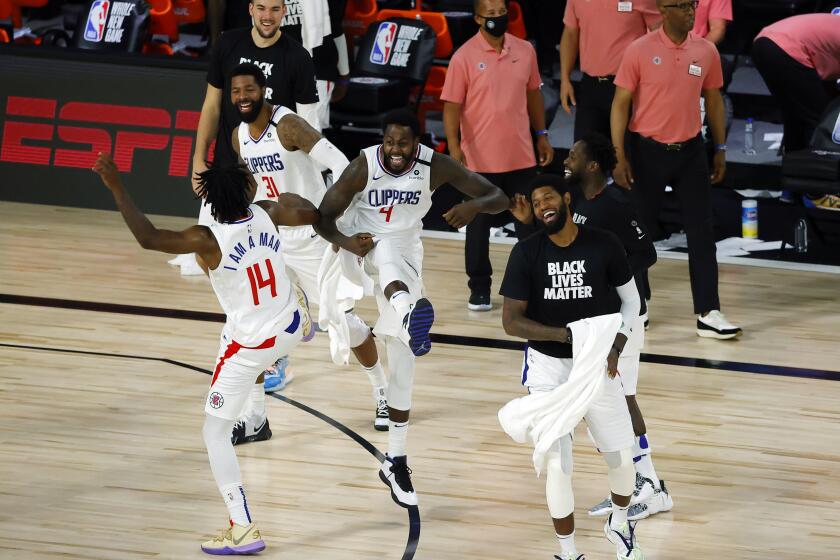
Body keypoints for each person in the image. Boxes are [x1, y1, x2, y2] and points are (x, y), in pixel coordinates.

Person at [92, 152, 319, 555]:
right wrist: (301, 202)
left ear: (211, 200)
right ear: (249, 191)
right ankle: (304, 319)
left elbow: (148, 237)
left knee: (214, 431)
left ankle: (243, 527)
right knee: (275, 307)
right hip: (286, 322)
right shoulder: (267, 211)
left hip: (251, 344)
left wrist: (116, 185)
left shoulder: (205, 238)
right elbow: (308, 211)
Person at [315, 109, 510, 508]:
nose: (396, 149)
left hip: (406, 250)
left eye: (403, 142)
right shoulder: (363, 165)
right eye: (390, 141)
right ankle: (405, 309)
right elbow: (322, 217)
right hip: (360, 244)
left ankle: (396, 460)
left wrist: (472, 209)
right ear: (382, 140)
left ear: (418, 143)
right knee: (377, 270)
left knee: (403, 358)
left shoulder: (433, 164)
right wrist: (345, 240)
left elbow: (498, 197)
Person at [511, 134, 673, 521]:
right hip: (590, 327)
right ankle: (638, 480)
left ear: (594, 165)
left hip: (620, 321)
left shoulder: (615, 203)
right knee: (604, 402)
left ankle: (649, 484)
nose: (568, 159)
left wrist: (607, 282)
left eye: (575, 155)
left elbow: (646, 252)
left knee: (624, 398)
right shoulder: (575, 203)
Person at [229, 62, 389, 436]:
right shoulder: (239, 135)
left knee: (342, 322)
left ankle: (384, 393)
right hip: (268, 243)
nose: (242, 97)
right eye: (236, 91)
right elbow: (251, 187)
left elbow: (341, 165)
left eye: (248, 90)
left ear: (263, 89)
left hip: (311, 239)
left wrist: (335, 218)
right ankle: (256, 418)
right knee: (251, 325)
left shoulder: (287, 125)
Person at [500, 174, 644, 560]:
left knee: (620, 458)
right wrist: (568, 336)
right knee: (557, 461)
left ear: (566, 199)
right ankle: (568, 552)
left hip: (597, 366)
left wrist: (615, 345)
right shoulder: (527, 253)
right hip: (548, 368)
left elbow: (633, 304)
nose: (543, 204)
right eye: (536, 201)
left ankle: (619, 521)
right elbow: (511, 321)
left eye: (549, 196)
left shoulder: (603, 244)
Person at [611, 0, 742, 339]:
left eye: (693, 5)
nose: (690, 11)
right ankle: (637, 305)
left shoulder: (706, 51)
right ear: (663, 9)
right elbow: (620, 103)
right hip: (646, 152)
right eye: (683, 6)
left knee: (702, 233)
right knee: (638, 232)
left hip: (691, 151)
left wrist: (721, 148)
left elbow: (713, 99)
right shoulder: (638, 50)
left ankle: (708, 311)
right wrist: (619, 155)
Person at [441, 0, 554, 312]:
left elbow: (534, 95)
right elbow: (452, 105)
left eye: (500, 12)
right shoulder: (464, 56)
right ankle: (479, 289)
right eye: (489, 14)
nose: (496, 18)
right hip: (479, 159)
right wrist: (454, 145)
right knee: (478, 227)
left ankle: (533, 285)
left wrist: (542, 135)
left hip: (521, 155)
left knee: (529, 224)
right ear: (478, 18)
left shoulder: (525, 51)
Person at [559, 0, 659, 140]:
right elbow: (570, 33)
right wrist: (564, 78)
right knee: (586, 154)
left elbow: (661, 35)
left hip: (630, 89)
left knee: (626, 155)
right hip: (591, 87)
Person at [752, 14, 840, 155]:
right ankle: (817, 166)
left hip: (764, 42)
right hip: (786, 47)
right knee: (820, 116)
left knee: (794, 112)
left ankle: (794, 164)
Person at [280, 0, 351, 130]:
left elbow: (335, 27)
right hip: (275, 67)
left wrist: (344, 74)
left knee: (310, 135)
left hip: (317, 69)